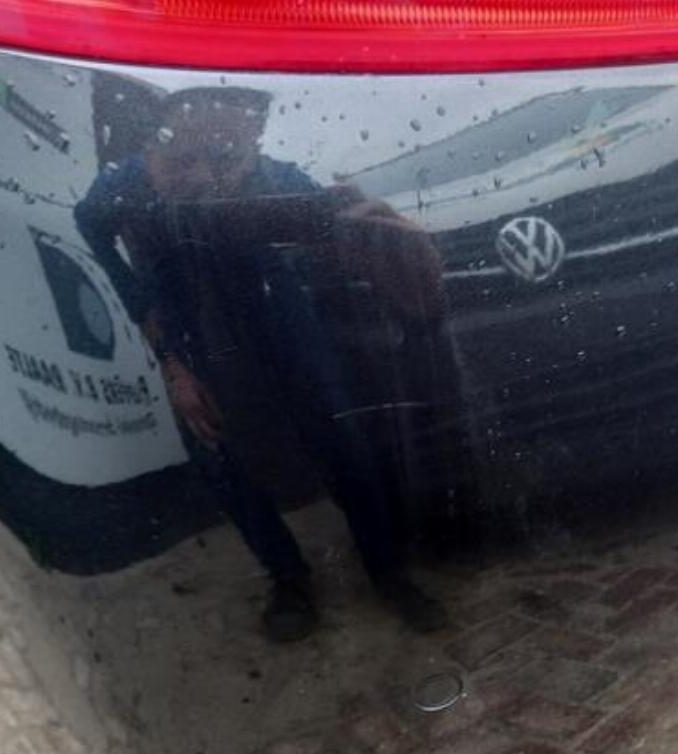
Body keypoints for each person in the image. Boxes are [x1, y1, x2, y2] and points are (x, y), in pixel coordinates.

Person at [75, 86, 447, 641]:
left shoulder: (276, 176)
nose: (206, 174)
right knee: (214, 450)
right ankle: (287, 577)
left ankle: (386, 570)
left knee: (339, 433)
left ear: (251, 143)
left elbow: (341, 222)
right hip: (186, 325)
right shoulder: (120, 187)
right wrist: (171, 361)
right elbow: (93, 231)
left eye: (227, 157)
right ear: (157, 146)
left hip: (277, 311)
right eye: (186, 159)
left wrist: (379, 230)